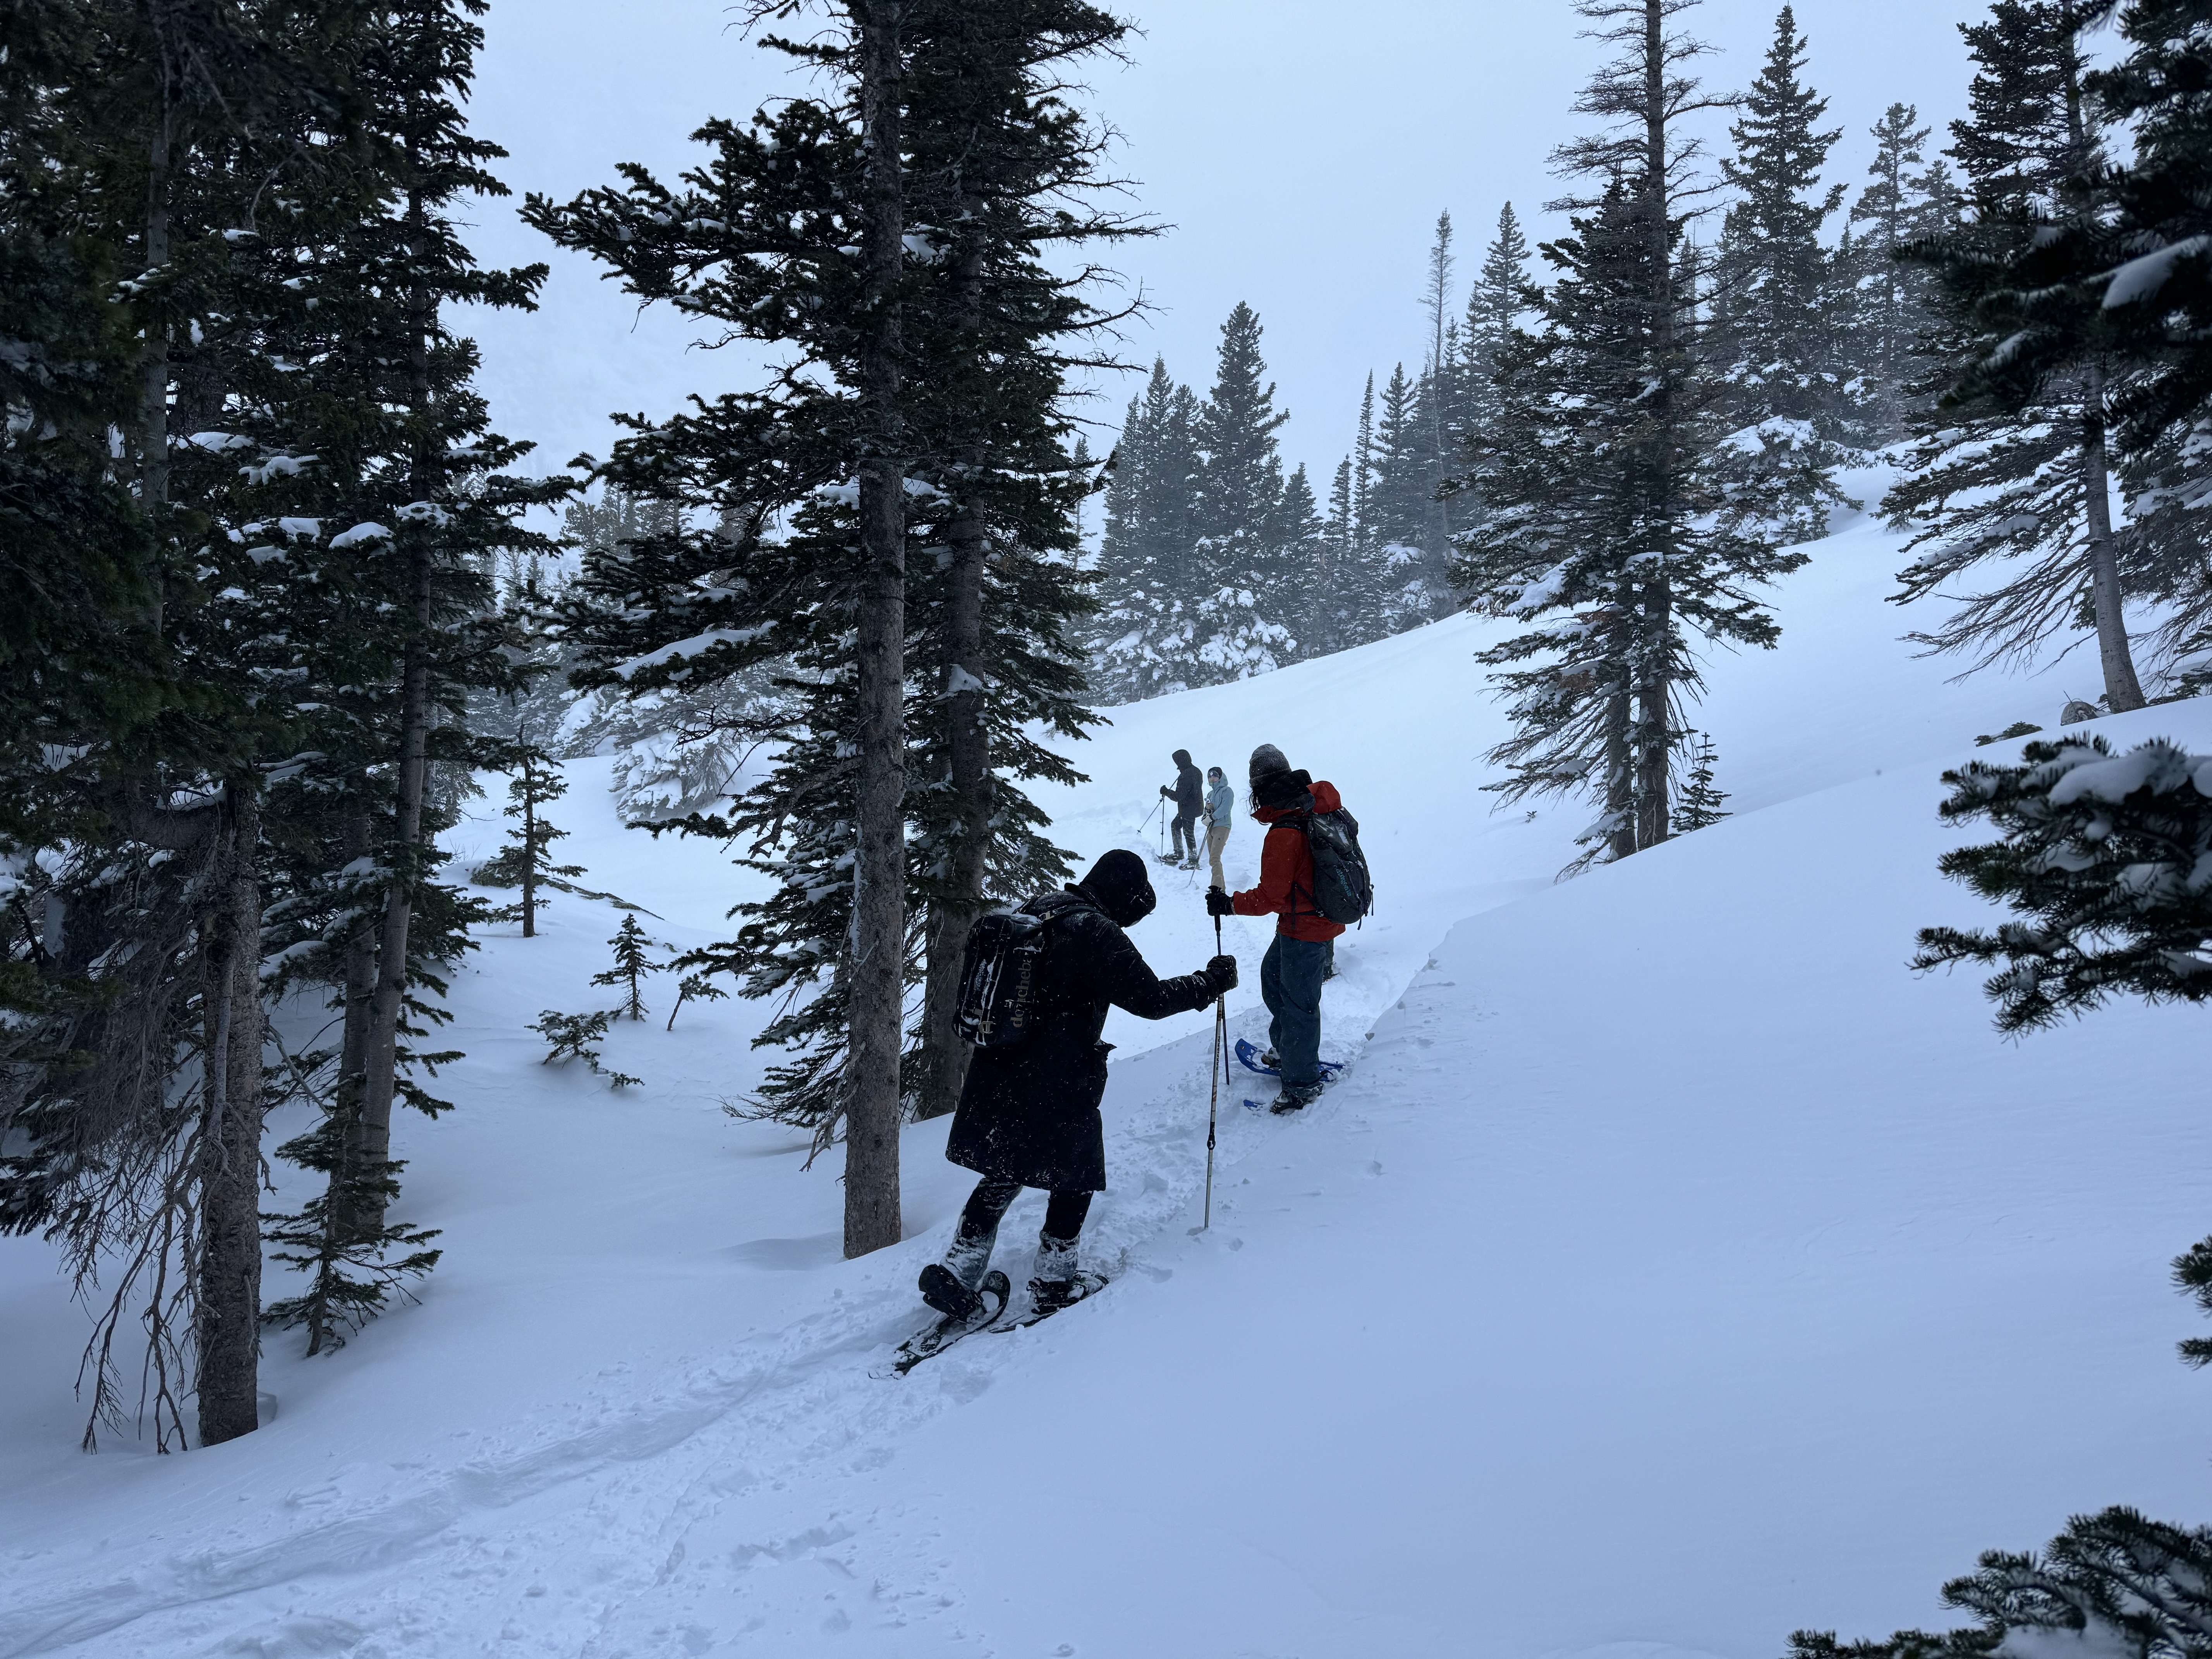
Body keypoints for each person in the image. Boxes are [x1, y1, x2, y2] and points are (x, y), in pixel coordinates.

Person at [924, 849, 1237, 1319]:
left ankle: (959, 1266)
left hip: (1000, 1064)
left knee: (1007, 1164)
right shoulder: (1096, 930)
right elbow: (1151, 999)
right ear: (1123, 894)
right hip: (1059, 1074)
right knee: (1074, 1174)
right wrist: (1209, 982)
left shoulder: (1039, 907)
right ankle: (1055, 1281)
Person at [1206, 744, 1345, 1113]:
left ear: (1260, 786)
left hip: (1307, 928)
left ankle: (1301, 1084)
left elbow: (1270, 897)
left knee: (1300, 1006)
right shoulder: (1306, 808)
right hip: (1304, 920)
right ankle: (1289, 1051)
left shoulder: (1287, 829)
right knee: (1273, 977)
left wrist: (1229, 904)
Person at [1159, 749, 1203, 868]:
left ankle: (1193, 861)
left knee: (1188, 833)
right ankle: (1179, 853)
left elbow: (1178, 797)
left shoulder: (1185, 775)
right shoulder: (1197, 771)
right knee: (1175, 825)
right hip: (1194, 807)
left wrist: (1166, 792)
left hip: (1188, 809)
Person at [1201, 764, 1235, 891]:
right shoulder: (1210, 794)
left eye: (1215, 776)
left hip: (1222, 826)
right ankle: (1220, 887)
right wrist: (1206, 816)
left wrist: (1212, 817)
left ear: (1220, 777)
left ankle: (1217, 888)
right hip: (1212, 827)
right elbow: (1207, 810)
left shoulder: (1227, 791)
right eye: (1210, 776)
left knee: (1215, 858)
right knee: (1213, 858)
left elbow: (1225, 809)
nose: (1212, 778)